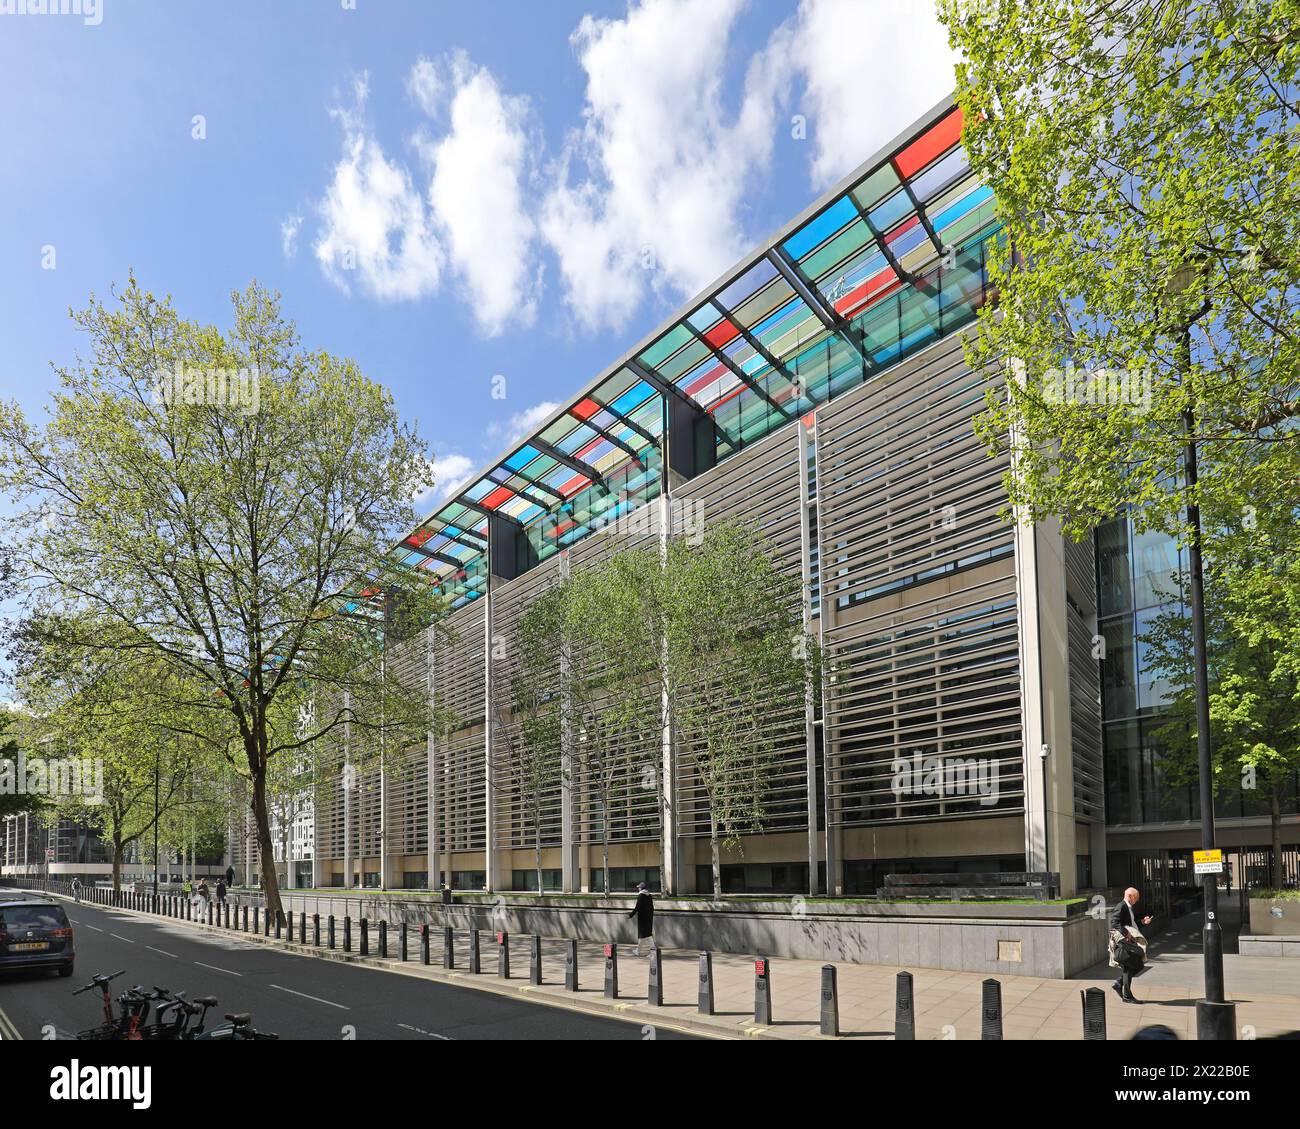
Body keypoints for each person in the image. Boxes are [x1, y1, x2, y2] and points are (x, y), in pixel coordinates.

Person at [1110, 886, 1153, 1003]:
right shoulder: (1122, 906)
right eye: (1136, 897)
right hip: (1125, 943)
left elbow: (1132, 924)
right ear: (1130, 896)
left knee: (1128, 968)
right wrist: (1126, 933)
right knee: (1136, 965)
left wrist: (1143, 922)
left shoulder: (1128, 908)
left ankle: (1123, 990)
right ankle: (1123, 990)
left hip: (1129, 942)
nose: (1137, 900)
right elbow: (1114, 922)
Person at [628, 881, 655, 956]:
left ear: (641, 888)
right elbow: (652, 907)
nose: (638, 889)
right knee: (644, 935)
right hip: (649, 918)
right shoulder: (649, 896)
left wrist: (631, 915)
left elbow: (637, 907)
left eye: (639, 887)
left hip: (642, 918)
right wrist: (651, 916)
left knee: (646, 935)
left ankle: (653, 951)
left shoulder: (641, 896)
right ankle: (638, 951)